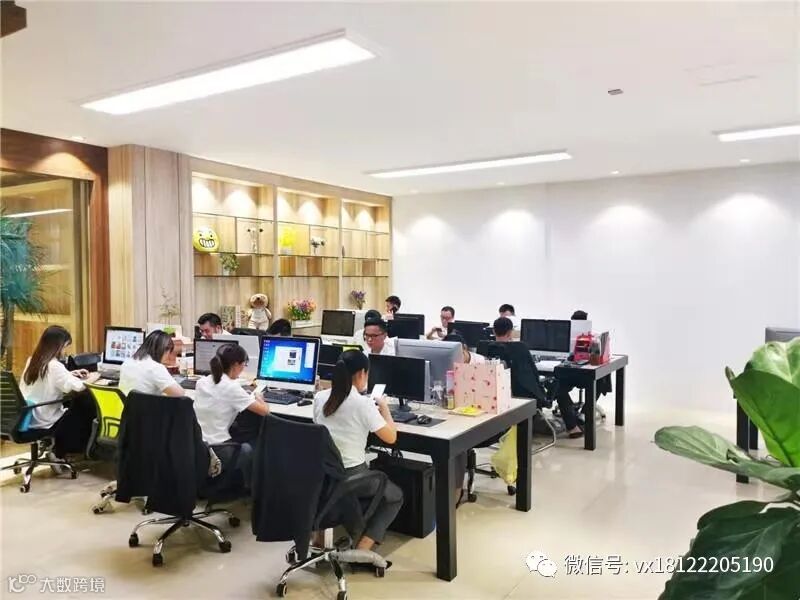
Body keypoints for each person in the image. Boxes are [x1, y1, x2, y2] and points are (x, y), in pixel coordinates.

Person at [313, 350, 402, 553]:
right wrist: (384, 408)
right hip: (352, 477)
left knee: (347, 492)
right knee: (395, 495)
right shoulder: (363, 404)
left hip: (321, 474)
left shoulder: (320, 397)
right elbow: (391, 437)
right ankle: (362, 548)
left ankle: (321, 537)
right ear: (362, 373)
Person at [19, 326, 100, 464]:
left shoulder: (32, 360)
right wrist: (95, 376)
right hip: (44, 419)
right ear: (58, 346)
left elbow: (49, 379)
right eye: (65, 347)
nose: (65, 351)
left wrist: (69, 374)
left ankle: (60, 449)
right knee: (84, 405)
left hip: (27, 416)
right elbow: (80, 386)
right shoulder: (54, 366)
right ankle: (62, 451)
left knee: (75, 403)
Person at [194, 344, 270, 487]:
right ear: (235, 365)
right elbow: (265, 411)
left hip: (197, 446)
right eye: (243, 365)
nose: (243, 369)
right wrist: (259, 397)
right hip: (219, 451)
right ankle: (249, 487)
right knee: (258, 439)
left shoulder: (202, 382)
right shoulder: (231, 387)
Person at [493, 317, 583, 438]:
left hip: (502, 395)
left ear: (493, 331)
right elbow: (533, 375)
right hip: (527, 396)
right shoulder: (520, 348)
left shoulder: (488, 347)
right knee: (559, 386)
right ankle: (573, 428)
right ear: (510, 332)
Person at [118, 331, 184, 397]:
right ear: (164, 350)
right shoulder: (155, 367)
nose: (168, 356)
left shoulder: (127, 362)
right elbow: (180, 394)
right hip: (145, 403)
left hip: (127, 403)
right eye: (169, 352)